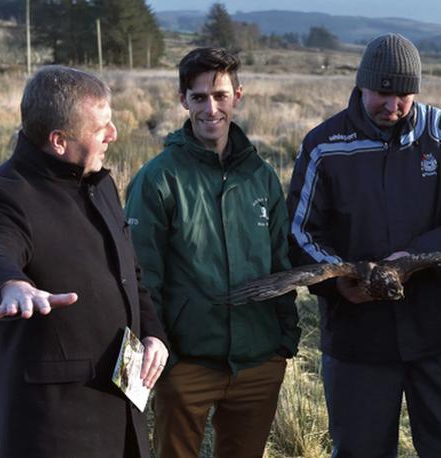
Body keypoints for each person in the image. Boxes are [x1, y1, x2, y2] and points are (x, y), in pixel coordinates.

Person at [287, 33, 441, 457]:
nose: (393, 106)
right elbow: (301, 233)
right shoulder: (324, 146)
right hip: (357, 340)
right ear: (361, 84)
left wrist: (414, 260)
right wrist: (339, 280)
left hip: (436, 333)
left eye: (405, 95)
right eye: (383, 93)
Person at [0, 65, 169, 457]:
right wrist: (10, 284)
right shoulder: (3, 193)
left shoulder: (100, 184)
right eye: (100, 127)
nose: (113, 135)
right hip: (54, 430)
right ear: (58, 140)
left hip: (123, 420)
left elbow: (129, 277)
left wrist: (154, 333)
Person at [125, 48, 301, 458]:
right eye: (199, 97)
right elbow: (140, 274)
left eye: (220, 95)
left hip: (258, 361)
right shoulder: (158, 178)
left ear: (238, 96)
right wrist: (164, 354)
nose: (211, 108)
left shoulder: (262, 177)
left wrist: (284, 341)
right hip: (186, 363)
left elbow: (281, 264)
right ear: (183, 99)